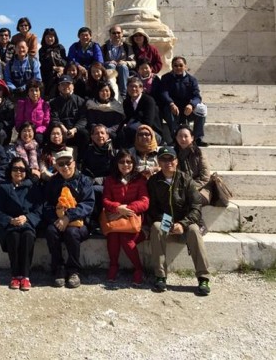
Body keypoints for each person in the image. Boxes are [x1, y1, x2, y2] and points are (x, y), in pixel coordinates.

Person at [148, 146, 211, 296]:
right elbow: (152, 208)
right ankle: (160, 276)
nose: (167, 162)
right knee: (156, 227)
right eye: (163, 159)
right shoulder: (153, 181)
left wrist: (183, 224)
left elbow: (196, 207)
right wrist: (166, 222)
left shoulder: (186, 179)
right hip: (165, 220)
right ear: (158, 161)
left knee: (195, 231)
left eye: (170, 159)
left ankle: (203, 277)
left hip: (185, 221)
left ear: (176, 161)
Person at [43, 147, 95, 288]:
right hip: (58, 220)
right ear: (56, 167)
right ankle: (58, 268)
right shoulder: (53, 183)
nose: (65, 166)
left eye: (68, 162)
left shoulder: (84, 181)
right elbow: (47, 204)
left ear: (74, 162)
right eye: (61, 164)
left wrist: (68, 217)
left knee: (71, 233)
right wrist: (57, 217)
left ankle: (73, 271)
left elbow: (88, 204)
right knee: (51, 231)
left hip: (80, 224)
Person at [0, 156, 43, 290]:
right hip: (10, 224)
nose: (18, 172)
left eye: (22, 169)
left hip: (27, 222)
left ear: (26, 171)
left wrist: (26, 218)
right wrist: (10, 220)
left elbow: (38, 208)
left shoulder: (33, 187)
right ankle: (15, 275)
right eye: (15, 168)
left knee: (27, 236)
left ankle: (25, 276)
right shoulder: (2, 187)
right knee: (13, 237)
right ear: (10, 171)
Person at [103, 149, 149, 284]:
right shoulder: (110, 180)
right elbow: (105, 200)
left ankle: (138, 269)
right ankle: (113, 265)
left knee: (126, 239)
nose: (125, 165)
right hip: (116, 216)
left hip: (134, 218)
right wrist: (117, 208)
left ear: (133, 163)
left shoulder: (139, 179)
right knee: (113, 236)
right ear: (116, 164)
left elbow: (145, 201)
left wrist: (128, 209)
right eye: (122, 162)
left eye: (129, 161)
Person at [160, 56, 208, 146]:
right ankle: (175, 138)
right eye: (175, 65)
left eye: (180, 65)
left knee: (201, 108)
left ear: (185, 66)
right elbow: (164, 93)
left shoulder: (192, 79)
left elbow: (197, 96)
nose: (178, 68)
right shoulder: (166, 78)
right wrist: (171, 103)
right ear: (172, 66)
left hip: (187, 110)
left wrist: (191, 105)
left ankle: (198, 138)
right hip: (174, 109)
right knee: (167, 108)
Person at [80, 123, 115, 224]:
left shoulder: (113, 152)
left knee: (96, 190)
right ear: (92, 137)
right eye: (96, 133)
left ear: (107, 136)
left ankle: (95, 221)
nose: (100, 136)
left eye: (102, 133)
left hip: (108, 183)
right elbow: (84, 170)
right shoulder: (87, 151)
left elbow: (115, 172)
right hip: (90, 182)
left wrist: (101, 180)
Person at [119, 77, 163, 148]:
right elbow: (128, 118)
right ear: (127, 88)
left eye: (136, 86)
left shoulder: (148, 100)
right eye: (130, 86)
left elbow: (148, 123)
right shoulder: (126, 102)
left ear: (141, 89)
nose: (133, 89)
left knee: (130, 129)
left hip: (152, 132)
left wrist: (130, 126)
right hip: (134, 131)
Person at [49, 75, 88, 152]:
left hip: (75, 130)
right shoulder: (53, 102)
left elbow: (83, 118)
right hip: (61, 129)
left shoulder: (80, 101)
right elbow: (54, 118)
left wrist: (74, 129)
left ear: (73, 86)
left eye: (68, 84)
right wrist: (63, 129)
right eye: (63, 84)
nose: (65, 86)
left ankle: (81, 160)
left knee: (85, 133)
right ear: (59, 87)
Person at [174, 125, 211, 205]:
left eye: (186, 136)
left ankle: (191, 218)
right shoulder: (173, 154)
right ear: (176, 138)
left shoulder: (199, 154)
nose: (183, 139)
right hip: (179, 188)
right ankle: (166, 218)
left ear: (192, 138)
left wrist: (190, 188)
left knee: (191, 199)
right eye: (180, 136)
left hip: (200, 188)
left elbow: (205, 177)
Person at [102, 25, 136, 97]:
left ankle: (124, 95)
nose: (116, 35)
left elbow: (134, 62)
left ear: (122, 33)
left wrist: (126, 62)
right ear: (110, 34)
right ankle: (113, 93)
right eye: (114, 33)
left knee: (123, 66)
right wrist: (107, 62)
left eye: (118, 33)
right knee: (111, 65)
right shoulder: (104, 47)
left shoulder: (127, 47)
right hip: (110, 70)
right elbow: (99, 62)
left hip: (123, 70)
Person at [38, 27, 67, 99]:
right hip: (47, 75)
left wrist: (62, 68)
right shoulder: (42, 50)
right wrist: (53, 68)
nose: (49, 39)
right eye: (47, 37)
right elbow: (43, 63)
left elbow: (65, 61)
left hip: (61, 73)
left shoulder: (60, 48)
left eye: (51, 37)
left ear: (55, 37)